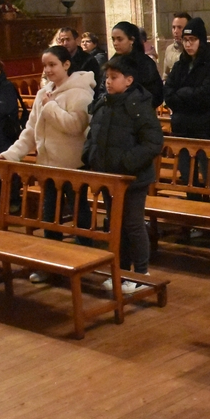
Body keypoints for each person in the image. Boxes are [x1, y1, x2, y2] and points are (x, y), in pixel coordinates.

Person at [0, 46, 95, 283]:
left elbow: (75, 127)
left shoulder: (80, 93)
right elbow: (30, 130)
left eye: (53, 65)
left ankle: (85, 262)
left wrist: (51, 107)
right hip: (48, 166)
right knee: (49, 215)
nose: (48, 70)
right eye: (45, 66)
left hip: (72, 165)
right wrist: (11, 154)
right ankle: (51, 263)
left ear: (66, 65)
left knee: (80, 214)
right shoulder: (44, 93)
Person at [83, 55, 164, 292]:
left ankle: (141, 273)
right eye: (106, 77)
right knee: (115, 224)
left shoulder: (138, 105)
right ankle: (121, 271)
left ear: (128, 80)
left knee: (133, 224)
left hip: (133, 178)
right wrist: (90, 156)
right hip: (109, 178)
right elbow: (93, 134)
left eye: (114, 77)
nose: (108, 82)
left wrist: (126, 164)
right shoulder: (105, 103)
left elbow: (152, 141)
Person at [165, 17, 210, 193]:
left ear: (201, 40)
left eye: (193, 40)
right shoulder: (180, 64)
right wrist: (186, 95)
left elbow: (206, 95)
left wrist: (182, 93)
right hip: (182, 128)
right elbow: (168, 93)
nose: (188, 44)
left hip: (205, 128)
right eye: (185, 40)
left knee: (209, 176)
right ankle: (195, 204)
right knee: (186, 175)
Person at [106, 21, 165, 107]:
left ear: (131, 40)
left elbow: (156, 94)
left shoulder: (145, 63)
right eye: (113, 39)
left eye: (120, 39)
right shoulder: (112, 62)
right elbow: (103, 88)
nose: (115, 43)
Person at [163, 12, 192, 81]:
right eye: (173, 27)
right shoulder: (169, 49)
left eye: (179, 27)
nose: (175, 31)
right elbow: (165, 76)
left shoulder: (194, 49)